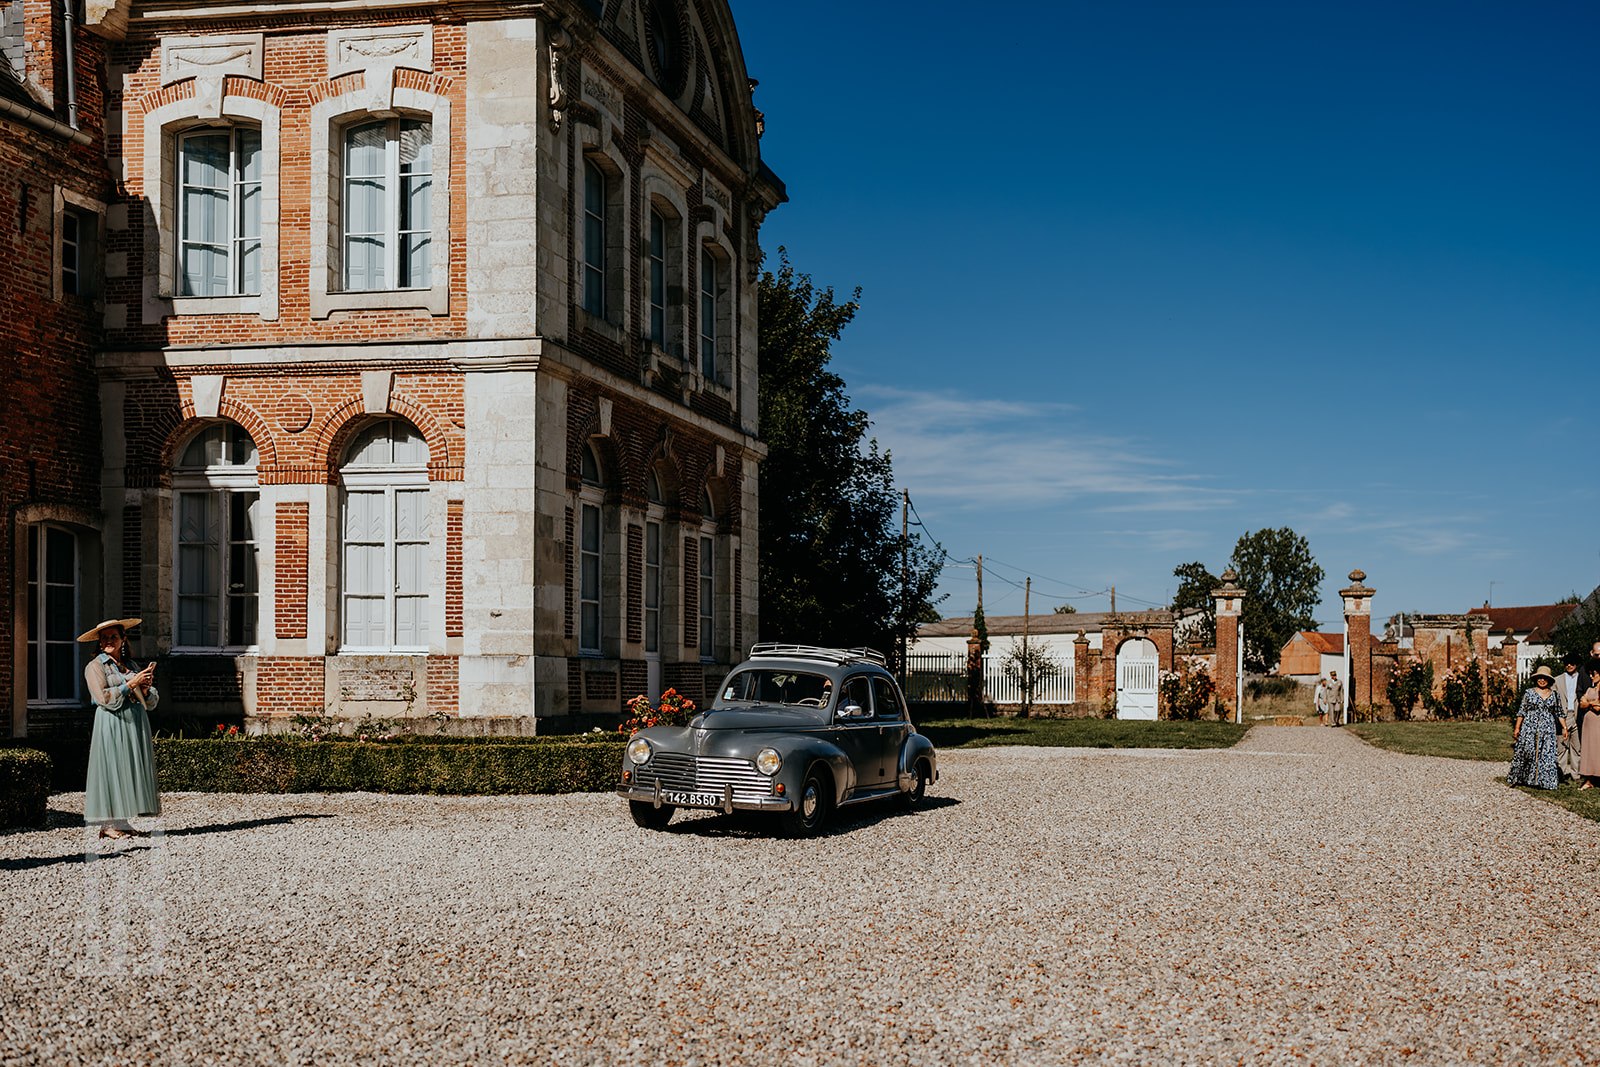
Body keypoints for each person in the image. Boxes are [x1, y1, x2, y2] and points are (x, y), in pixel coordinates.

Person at [79, 618, 161, 838]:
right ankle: (108, 824)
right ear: (98, 641)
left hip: (134, 723)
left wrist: (144, 689)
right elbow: (103, 698)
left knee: (127, 770)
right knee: (112, 768)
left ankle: (122, 821)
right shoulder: (95, 666)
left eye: (113, 636)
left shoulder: (131, 666)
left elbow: (151, 702)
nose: (108, 641)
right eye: (104, 637)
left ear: (123, 639)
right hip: (111, 723)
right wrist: (130, 685)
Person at [1507, 665, 1566, 790]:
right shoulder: (1529, 693)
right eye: (1540, 678)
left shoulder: (1554, 695)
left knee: (1547, 754)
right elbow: (1522, 711)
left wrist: (1564, 727)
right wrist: (1517, 728)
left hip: (1548, 729)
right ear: (1536, 679)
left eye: (1545, 678)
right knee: (1527, 752)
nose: (1542, 680)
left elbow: (1559, 713)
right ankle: (1523, 778)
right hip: (1530, 727)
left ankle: (1545, 781)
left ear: (1549, 680)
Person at [1556, 654, 1583, 781]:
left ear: (1576, 664)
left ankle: (1575, 774)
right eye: (1567, 663)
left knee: (1576, 747)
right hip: (1563, 717)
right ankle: (1560, 773)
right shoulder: (1557, 680)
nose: (1569, 665)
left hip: (1577, 715)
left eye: (1572, 663)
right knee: (1562, 747)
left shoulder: (1582, 678)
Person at [1577, 661, 1600, 790]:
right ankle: (1589, 779)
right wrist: (1592, 703)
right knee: (1589, 749)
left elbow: (1598, 708)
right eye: (1590, 674)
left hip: (1598, 724)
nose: (1591, 676)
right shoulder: (1590, 689)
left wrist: (1588, 703)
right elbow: (1581, 704)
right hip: (1589, 725)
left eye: (1594, 674)